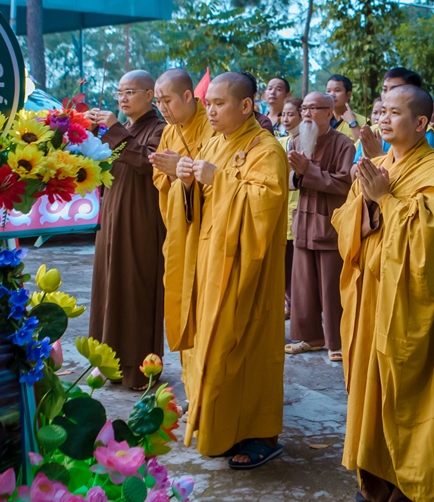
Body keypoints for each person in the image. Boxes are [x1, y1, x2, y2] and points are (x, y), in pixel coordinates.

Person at [334, 83, 434, 502]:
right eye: (381, 112)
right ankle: (376, 474)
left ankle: (416, 486)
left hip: (410, 300)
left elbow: (426, 241)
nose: (383, 120)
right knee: (369, 384)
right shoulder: (378, 164)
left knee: (408, 385)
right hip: (372, 294)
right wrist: (368, 203)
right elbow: (346, 222)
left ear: (422, 122)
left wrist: (384, 199)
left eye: (394, 113)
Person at [176, 72, 289, 468]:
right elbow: (197, 203)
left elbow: (265, 205)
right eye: (208, 103)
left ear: (246, 105)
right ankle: (218, 425)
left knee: (243, 346)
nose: (210, 111)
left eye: (219, 103)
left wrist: (218, 180)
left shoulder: (266, 149)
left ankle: (260, 434)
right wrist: (186, 182)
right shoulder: (213, 142)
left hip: (247, 268)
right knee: (209, 344)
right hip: (210, 262)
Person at [89, 70, 166, 391]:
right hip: (111, 219)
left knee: (136, 289)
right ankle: (109, 363)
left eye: (130, 92)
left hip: (140, 221)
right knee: (109, 286)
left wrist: (115, 130)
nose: (122, 99)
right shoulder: (126, 129)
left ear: (149, 95)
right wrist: (90, 134)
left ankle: (138, 369)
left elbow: (148, 162)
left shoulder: (161, 129)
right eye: (119, 93)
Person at [286, 91, 356, 362]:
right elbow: (290, 180)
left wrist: (309, 171)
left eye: (314, 109)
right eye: (304, 108)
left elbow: (344, 184)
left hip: (329, 225)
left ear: (329, 112)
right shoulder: (297, 141)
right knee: (303, 287)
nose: (307, 114)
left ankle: (337, 341)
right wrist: (297, 174)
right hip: (303, 223)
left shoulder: (343, 144)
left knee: (331, 288)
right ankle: (311, 338)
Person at [150, 68, 216, 355]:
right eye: (158, 102)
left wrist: (183, 169)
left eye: (167, 100)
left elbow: (213, 173)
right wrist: (171, 173)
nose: (162, 108)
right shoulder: (169, 130)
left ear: (188, 96)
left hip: (206, 227)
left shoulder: (211, 126)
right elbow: (159, 176)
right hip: (179, 227)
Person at [356, 67, 434, 159]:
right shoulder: (371, 131)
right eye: (384, 89)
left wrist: (378, 156)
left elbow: (418, 165)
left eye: (395, 113)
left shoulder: (425, 132)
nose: (388, 95)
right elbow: (355, 166)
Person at [279, 97, 304, 317]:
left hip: (300, 206)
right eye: (283, 114)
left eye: (291, 114)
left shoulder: (309, 142)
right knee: (285, 260)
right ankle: (288, 302)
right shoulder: (280, 143)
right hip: (283, 206)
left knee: (299, 261)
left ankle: (297, 304)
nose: (286, 119)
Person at [326, 74, 366, 141]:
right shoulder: (323, 119)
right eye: (328, 91)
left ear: (348, 95)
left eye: (337, 90)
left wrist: (353, 123)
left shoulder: (363, 121)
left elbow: (363, 145)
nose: (332, 95)